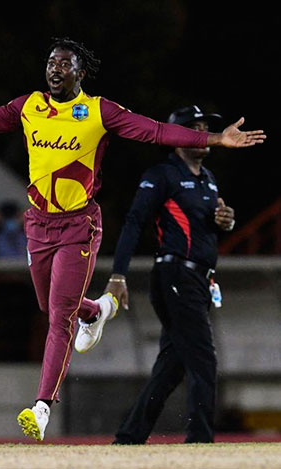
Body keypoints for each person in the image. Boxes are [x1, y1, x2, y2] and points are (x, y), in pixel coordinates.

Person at [0, 37, 265, 441]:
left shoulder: (99, 111)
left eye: (64, 64)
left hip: (80, 224)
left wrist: (215, 139)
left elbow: (153, 131)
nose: (55, 69)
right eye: (50, 63)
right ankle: (95, 311)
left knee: (58, 316)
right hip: (38, 224)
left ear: (80, 73)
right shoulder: (29, 106)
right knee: (52, 304)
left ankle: (41, 405)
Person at [108, 106, 234, 444]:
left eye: (206, 127)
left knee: (173, 365)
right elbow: (134, 222)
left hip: (198, 279)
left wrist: (226, 220)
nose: (203, 132)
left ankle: (130, 437)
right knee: (203, 359)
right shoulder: (162, 175)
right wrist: (118, 275)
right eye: (195, 127)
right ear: (177, 136)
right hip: (175, 275)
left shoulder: (207, 179)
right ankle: (200, 442)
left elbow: (206, 227)